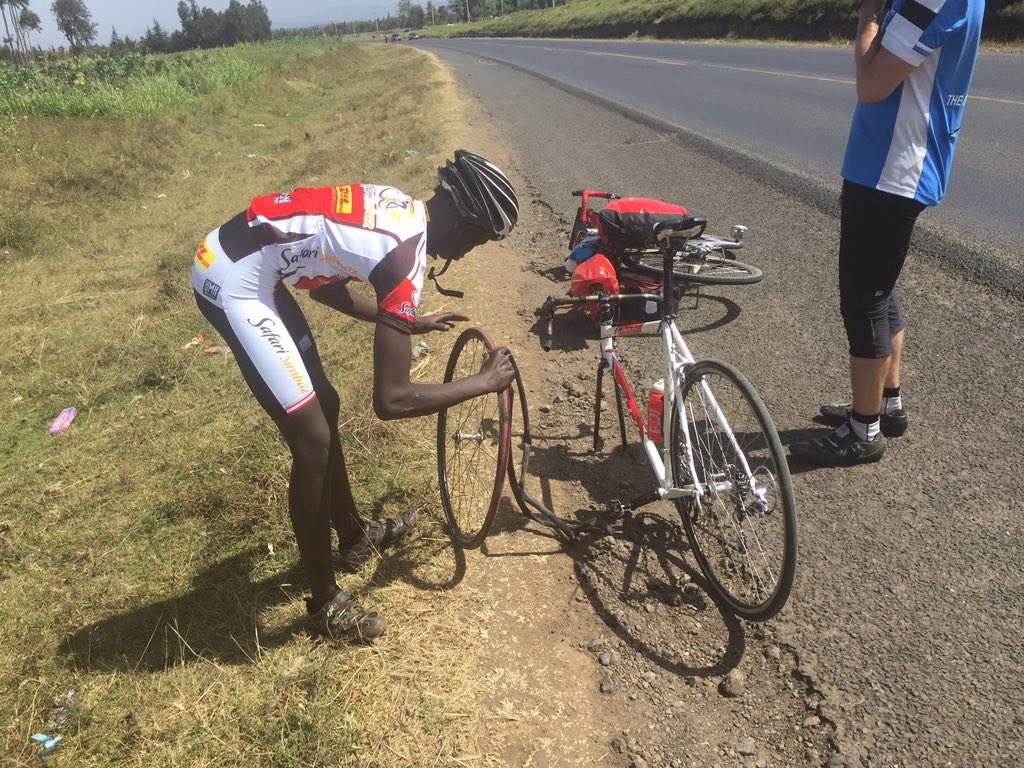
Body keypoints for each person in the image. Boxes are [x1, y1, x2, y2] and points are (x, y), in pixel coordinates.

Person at [191, 150, 519, 641]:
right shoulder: (406, 258)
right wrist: (484, 382)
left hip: (248, 260)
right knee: (313, 441)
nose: (470, 253)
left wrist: (408, 320)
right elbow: (392, 401)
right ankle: (324, 603)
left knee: (326, 405)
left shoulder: (399, 208)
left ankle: (352, 536)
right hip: (231, 279)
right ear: (468, 230)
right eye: (479, 242)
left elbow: (323, 288)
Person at [790, 0, 984, 466]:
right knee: (880, 287)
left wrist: (869, 13)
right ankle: (886, 404)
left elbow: (872, 84)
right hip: (884, 167)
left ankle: (863, 430)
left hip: (894, 171)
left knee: (864, 300)